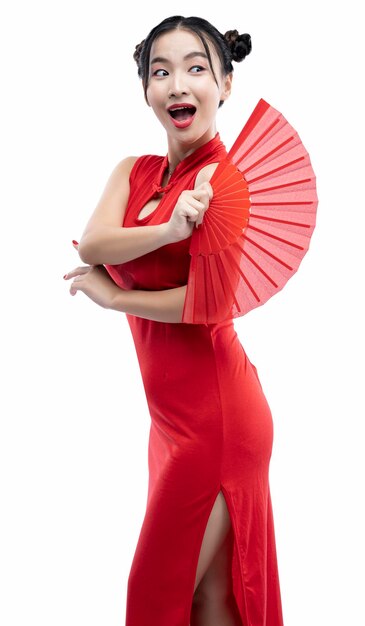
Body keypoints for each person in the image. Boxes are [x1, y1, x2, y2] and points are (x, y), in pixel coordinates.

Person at [63, 15, 284, 626]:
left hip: (217, 417)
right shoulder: (131, 172)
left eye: (196, 68)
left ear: (225, 83)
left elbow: (207, 304)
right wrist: (168, 230)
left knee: (156, 594)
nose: (178, 85)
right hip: (168, 420)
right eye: (161, 72)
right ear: (146, 90)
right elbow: (93, 247)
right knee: (210, 598)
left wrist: (115, 300)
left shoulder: (226, 183)